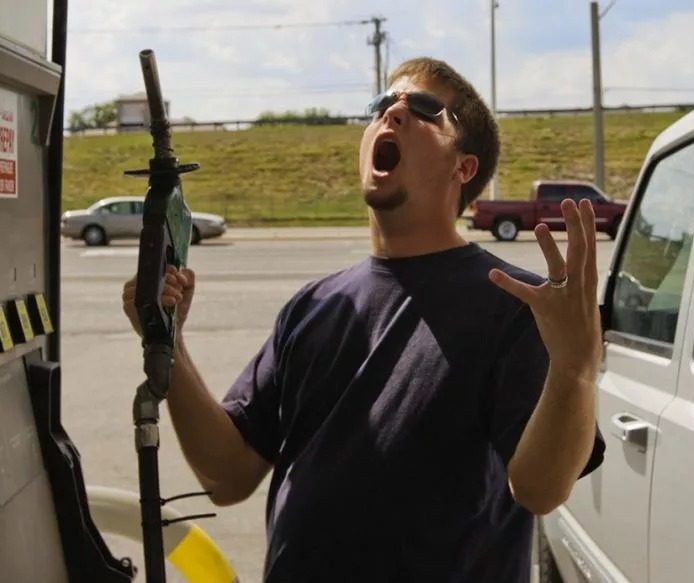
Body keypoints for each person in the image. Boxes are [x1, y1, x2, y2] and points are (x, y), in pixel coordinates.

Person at [123, 57, 605, 582]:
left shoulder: (514, 305)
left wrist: (574, 368)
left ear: (463, 168)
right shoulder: (313, 305)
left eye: (423, 108)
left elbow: (540, 490)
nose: (391, 113)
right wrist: (168, 342)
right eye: (381, 104)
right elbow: (227, 476)